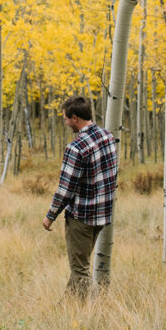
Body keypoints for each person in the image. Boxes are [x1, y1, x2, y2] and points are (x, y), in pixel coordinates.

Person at [42, 95, 118, 298]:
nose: (65, 123)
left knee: (80, 270)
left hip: (82, 218)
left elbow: (65, 189)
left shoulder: (76, 148)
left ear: (75, 118)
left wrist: (50, 216)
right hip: (102, 215)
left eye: (66, 119)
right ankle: (66, 309)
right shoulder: (107, 137)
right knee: (80, 264)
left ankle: (94, 313)